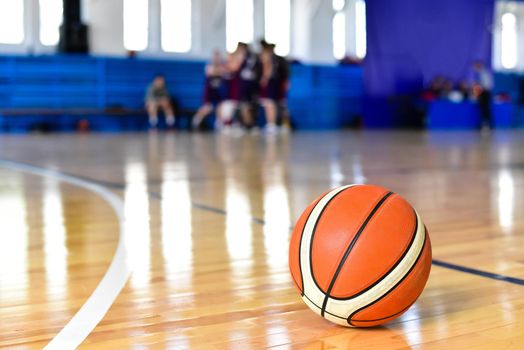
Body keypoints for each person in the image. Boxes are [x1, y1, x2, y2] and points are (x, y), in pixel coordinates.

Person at [192, 50, 225, 130]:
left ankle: (219, 125)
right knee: (205, 108)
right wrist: (218, 71)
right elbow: (211, 72)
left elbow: (222, 72)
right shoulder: (208, 65)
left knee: (220, 108)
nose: (216, 59)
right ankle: (195, 124)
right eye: (215, 57)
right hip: (209, 94)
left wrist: (218, 71)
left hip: (218, 94)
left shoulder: (222, 66)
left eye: (218, 57)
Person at [236, 42, 262, 129]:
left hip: (251, 86)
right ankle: (245, 123)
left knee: (251, 105)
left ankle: (251, 124)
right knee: (244, 105)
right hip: (244, 85)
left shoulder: (253, 58)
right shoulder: (241, 57)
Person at [473, 61, 493, 129]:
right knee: (483, 109)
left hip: (485, 93)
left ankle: (488, 125)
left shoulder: (483, 73)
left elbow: (485, 85)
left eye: (476, 66)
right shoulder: (480, 73)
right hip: (483, 93)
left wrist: (479, 92)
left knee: (486, 109)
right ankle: (484, 124)